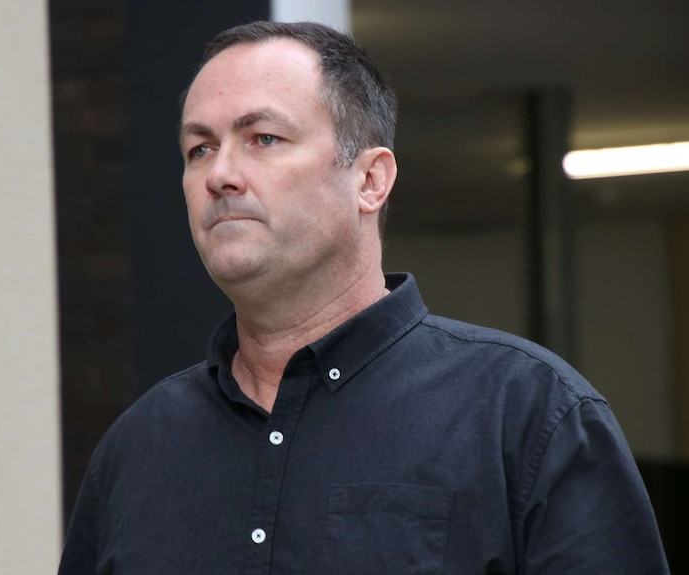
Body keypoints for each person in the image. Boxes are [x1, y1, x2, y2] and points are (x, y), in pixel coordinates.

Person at [59, 21, 669, 574]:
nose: (220, 174)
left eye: (264, 138)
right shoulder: (138, 448)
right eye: (200, 148)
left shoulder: (528, 414)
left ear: (370, 180)